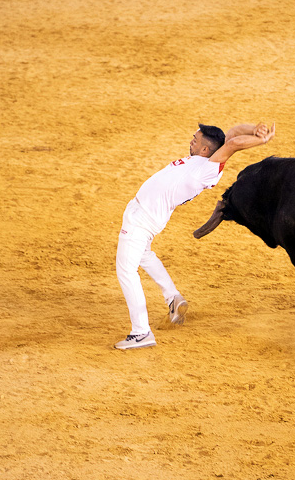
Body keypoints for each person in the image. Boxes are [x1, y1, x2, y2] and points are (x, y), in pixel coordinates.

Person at [115, 121, 276, 350]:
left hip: (142, 219)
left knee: (126, 271)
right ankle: (173, 298)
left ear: (204, 150)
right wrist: (255, 128)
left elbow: (234, 144)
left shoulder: (207, 168)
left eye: (195, 139)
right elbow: (232, 135)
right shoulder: (205, 160)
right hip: (146, 214)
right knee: (144, 255)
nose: (191, 140)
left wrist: (261, 140)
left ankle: (141, 332)